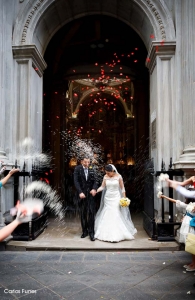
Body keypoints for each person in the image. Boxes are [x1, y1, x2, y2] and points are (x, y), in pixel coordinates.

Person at [94, 164, 137, 242]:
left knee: (116, 213)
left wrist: (124, 198)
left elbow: (122, 188)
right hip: (107, 198)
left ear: (113, 171)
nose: (107, 174)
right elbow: (102, 187)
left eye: (108, 173)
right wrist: (96, 190)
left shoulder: (119, 176)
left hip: (116, 197)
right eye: (106, 173)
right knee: (107, 213)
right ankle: (105, 233)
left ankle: (118, 233)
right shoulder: (105, 177)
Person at [159, 192, 195, 271]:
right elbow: (175, 201)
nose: (185, 198)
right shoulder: (187, 205)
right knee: (190, 244)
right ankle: (193, 263)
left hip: (192, 226)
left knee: (193, 245)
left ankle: (194, 265)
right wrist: (165, 197)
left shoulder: (193, 205)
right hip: (187, 226)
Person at [74, 156, 98, 241]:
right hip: (82, 194)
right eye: (85, 162)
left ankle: (91, 232)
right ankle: (84, 231)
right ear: (82, 162)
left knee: (91, 213)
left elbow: (96, 180)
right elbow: (76, 181)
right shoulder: (77, 169)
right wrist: (80, 192)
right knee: (83, 213)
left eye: (88, 162)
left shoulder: (92, 168)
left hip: (91, 194)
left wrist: (94, 189)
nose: (87, 164)